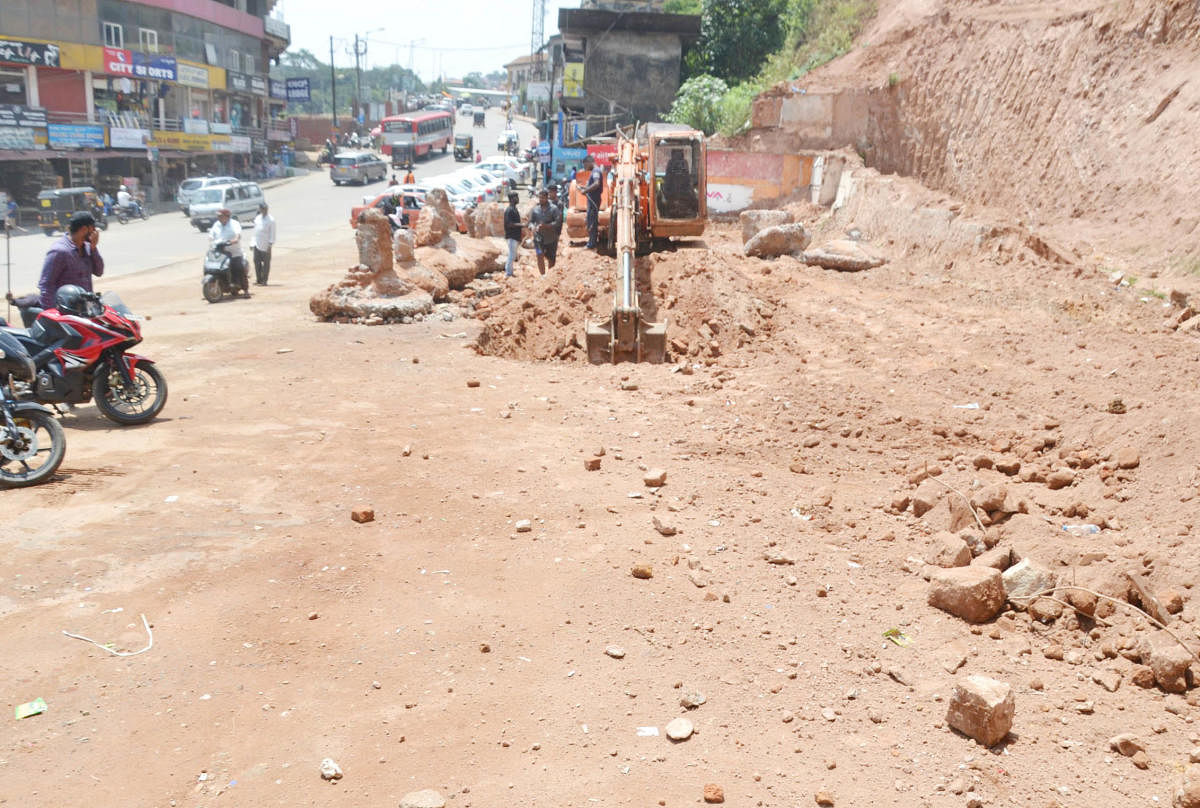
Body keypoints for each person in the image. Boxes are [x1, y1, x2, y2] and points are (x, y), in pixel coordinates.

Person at [37, 212, 104, 309]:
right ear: (84, 229)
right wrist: (53, 316)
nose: (95, 232)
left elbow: (99, 271)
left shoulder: (88, 247)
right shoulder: (59, 251)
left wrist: (94, 248)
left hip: (86, 309)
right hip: (67, 311)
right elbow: (46, 286)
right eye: (93, 229)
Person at [210, 208, 248, 295]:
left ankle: (246, 290)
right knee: (214, 267)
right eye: (218, 216)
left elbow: (238, 235)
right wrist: (211, 240)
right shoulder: (216, 224)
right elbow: (211, 235)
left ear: (227, 216)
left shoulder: (234, 224)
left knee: (239, 268)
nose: (219, 218)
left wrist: (234, 240)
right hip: (220, 252)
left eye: (220, 216)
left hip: (234, 252)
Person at [527, 188, 561, 275]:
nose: (541, 199)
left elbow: (558, 222)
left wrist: (547, 226)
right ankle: (542, 275)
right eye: (540, 198)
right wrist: (532, 227)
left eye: (543, 198)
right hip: (538, 238)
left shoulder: (554, 209)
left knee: (551, 259)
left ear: (547, 198)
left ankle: (550, 276)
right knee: (539, 255)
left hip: (551, 238)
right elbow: (530, 222)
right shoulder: (535, 210)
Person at [581, 155, 604, 249]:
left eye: (585, 165)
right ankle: (591, 242)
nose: (585, 168)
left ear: (589, 162)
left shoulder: (596, 171)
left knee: (592, 222)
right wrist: (585, 188)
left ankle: (591, 244)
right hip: (593, 199)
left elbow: (596, 184)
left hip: (594, 200)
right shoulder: (595, 171)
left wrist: (586, 191)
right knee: (591, 220)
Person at [251, 203, 275, 286]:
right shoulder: (257, 218)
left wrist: (270, 245)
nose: (264, 210)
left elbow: (272, 234)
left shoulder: (271, 220)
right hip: (257, 244)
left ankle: (265, 280)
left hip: (266, 245)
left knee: (266, 263)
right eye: (263, 209)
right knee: (256, 261)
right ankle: (259, 279)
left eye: (265, 209)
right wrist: (252, 243)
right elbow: (255, 232)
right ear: (260, 209)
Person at [503, 192, 522, 278]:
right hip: (511, 236)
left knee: (513, 254)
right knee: (511, 255)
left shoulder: (514, 209)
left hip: (515, 236)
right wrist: (522, 225)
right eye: (516, 197)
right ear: (511, 199)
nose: (518, 199)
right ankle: (508, 273)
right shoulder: (509, 210)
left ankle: (510, 272)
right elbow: (509, 224)